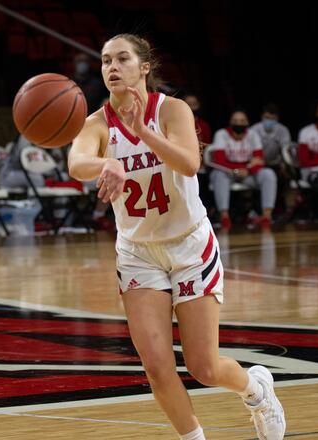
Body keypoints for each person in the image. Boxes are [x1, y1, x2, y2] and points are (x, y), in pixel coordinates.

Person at [67, 34, 285, 440]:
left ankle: (256, 390)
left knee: (203, 368)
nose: (111, 67)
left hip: (189, 245)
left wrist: (142, 133)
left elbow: (188, 163)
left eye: (122, 59)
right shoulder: (96, 123)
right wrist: (105, 162)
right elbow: (77, 161)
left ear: (144, 67)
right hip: (137, 252)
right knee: (156, 365)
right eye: (105, 60)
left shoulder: (172, 110)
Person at [209, 110, 277, 229]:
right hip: (228, 173)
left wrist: (248, 169)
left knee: (268, 174)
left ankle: (266, 216)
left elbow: (259, 159)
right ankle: (224, 216)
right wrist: (238, 169)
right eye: (235, 121)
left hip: (248, 174)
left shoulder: (253, 135)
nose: (238, 123)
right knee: (218, 175)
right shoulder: (221, 134)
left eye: (242, 121)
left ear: (247, 123)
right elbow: (219, 160)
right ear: (230, 122)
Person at [250, 103, 292, 217]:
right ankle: (257, 211)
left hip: (275, 164)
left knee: (283, 178)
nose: (269, 121)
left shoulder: (283, 130)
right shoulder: (254, 130)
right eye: (267, 118)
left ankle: (280, 210)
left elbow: (286, 151)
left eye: (272, 118)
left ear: (277, 119)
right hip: (258, 164)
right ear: (262, 117)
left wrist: (284, 166)